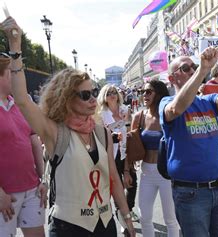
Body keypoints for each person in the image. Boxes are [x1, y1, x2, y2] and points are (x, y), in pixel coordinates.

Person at [2, 17, 135, 236]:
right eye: (85, 95)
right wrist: (15, 48)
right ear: (66, 98)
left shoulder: (102, 133)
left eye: (93, 92)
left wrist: (126, 216)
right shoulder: (55, 132)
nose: (93, 99)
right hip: (68, 228)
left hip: (105, 223)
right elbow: (22, 100)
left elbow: (113, 177)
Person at [159, 33, 218, 236]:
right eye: (185, 68)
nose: (192, 70)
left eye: (193, 66)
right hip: (190, 193)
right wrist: (203, 70)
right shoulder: (166, 103)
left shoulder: (208, 101)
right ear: (172, 79)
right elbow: (177, 109)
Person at [0, 52, 46, 237]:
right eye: (13, 73)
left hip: (32, 189)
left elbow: (34, 142)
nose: (18, 78)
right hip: (5, 195)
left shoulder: (20, 104)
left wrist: (42, 179)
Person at [126, 80, 180, 237]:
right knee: (144, 217)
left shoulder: (168, 116)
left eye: (149, 92)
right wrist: (126, 171)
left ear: (159, 94)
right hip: (146, 172)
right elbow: (130, 146)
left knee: (170, 219)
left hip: (167, 174)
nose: (144, 95)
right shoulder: (139, 116)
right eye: (143, 91)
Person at [95, 85, 140, 225]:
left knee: (132, 183)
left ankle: (129, 208)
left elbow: (130, 130)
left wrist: (127, 119)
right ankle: (122, 218)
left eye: (114, 92)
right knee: (117, 187)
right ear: (104, 96)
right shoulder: (101, 114)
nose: (112, 95)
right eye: (109, 93)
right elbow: (102, 134)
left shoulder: (125, 110)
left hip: (125, 152)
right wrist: (119, 124)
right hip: (110, 155)